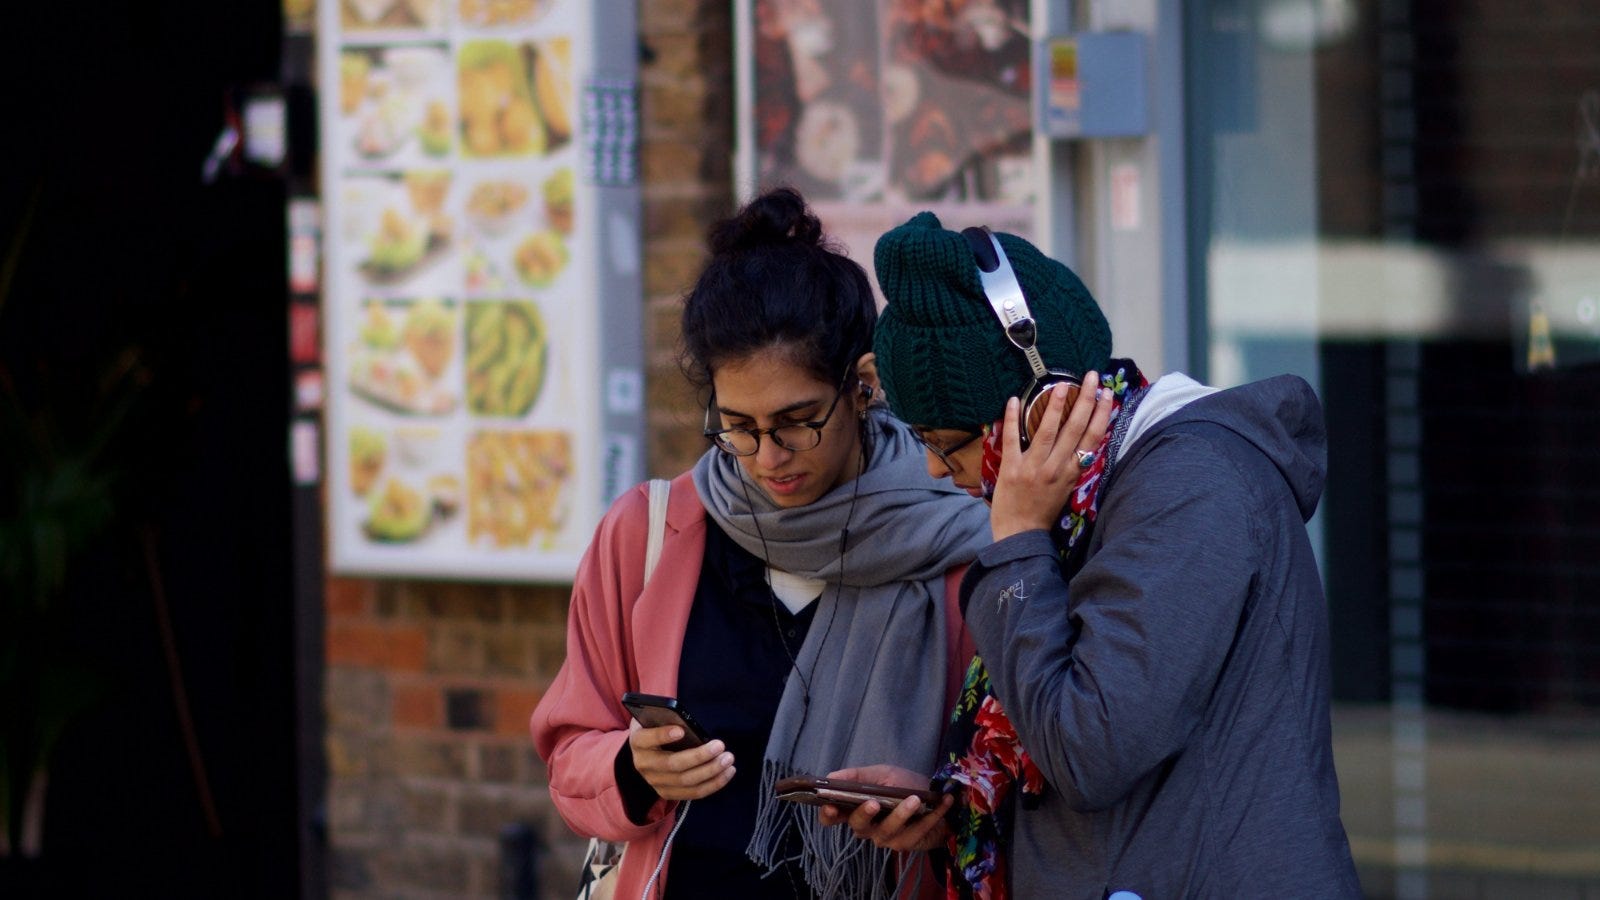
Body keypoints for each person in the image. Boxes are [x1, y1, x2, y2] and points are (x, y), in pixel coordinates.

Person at [824, 212, 1362, 899]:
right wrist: (961, 802)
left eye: (945, 441)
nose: (933, 469)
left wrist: (1017, 545)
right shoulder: (1093, 503)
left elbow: (1090, 750)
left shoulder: (1190, 490)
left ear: (1039, 408)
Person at [531, 190, 991, 900]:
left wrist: (946, 813)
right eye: (737, 425)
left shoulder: (957, 535)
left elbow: (1011, 773)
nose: (768, 455)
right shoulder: (646, 535)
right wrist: (633, 767)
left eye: (798, 421)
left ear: (863, 386)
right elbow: (569, 750)